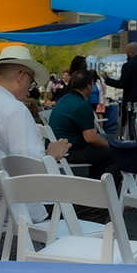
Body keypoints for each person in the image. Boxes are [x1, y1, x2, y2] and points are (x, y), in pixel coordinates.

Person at [0, 46, 71, 228]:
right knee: (94, 201)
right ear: (21, 77)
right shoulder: (14, 109)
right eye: (31, 83)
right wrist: (52, 156)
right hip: (18, 209)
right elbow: (29, 172)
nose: (28, 92)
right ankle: (56, 254)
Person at [48, 69, 121, 209]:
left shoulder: (64, 100)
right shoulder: (82, 105)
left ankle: (96, 195)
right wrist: (110, 144)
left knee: (101, 152)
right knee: (116, 153)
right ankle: (109, 198)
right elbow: (90, 138)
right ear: (89, 86)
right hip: (69, 151)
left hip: (57, 148)